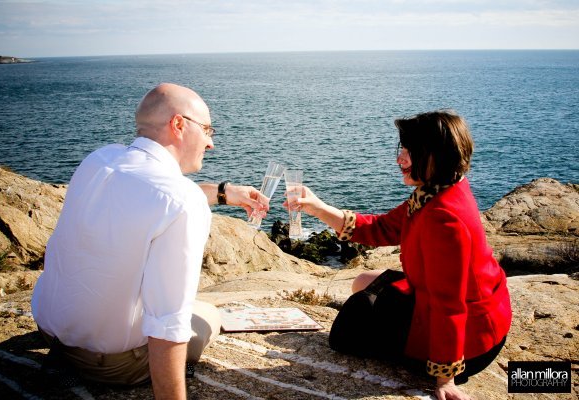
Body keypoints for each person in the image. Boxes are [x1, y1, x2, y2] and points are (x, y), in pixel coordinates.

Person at [31, 83, 269, 399]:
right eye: (208, 130)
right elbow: (168, 324)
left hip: (51, 334)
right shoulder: (182, 201)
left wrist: (224, 192)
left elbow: (152, 198)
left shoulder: (100, 159)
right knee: (206, 314)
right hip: (111, 366)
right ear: (179, 124)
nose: (211, 143)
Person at [294, 110, 512, 400]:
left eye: (409, 151)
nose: (400, 159)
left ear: (434, 155)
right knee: (363, 281)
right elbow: (381, 229)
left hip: (471, 344)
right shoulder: (440, 189)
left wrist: (445, 378)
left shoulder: (445, 218)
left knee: (350, 324)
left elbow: (449, 304)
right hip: (484, 317)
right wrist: (318, 208)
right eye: (402, 149)